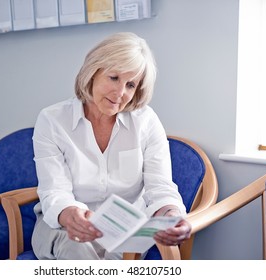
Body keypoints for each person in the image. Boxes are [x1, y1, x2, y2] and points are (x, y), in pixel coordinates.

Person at [31, 32, 192, 260]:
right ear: (93, 72)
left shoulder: (146, 121)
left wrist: (172, 216)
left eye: (131, 85)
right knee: (75, 245)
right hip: (63, 226)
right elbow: (54, 191)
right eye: (114, 77)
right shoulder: (52, 120)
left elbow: (161, 188)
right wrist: (69, 214)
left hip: (124, 231)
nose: (120, 93)